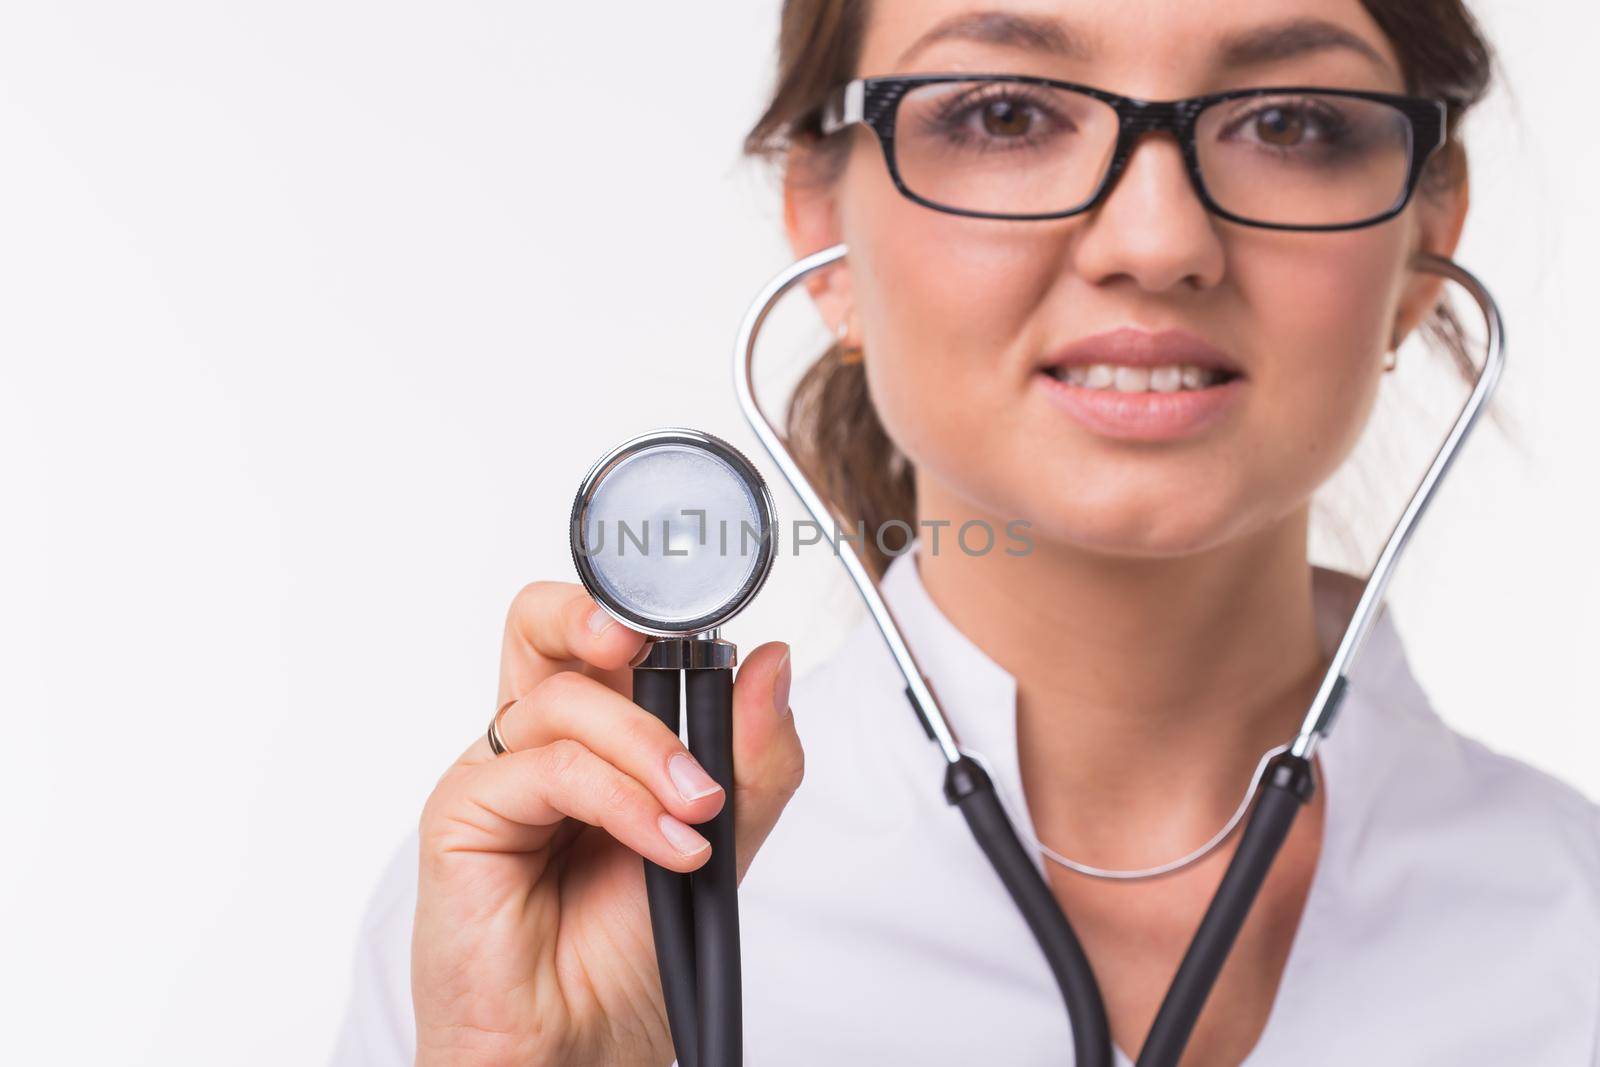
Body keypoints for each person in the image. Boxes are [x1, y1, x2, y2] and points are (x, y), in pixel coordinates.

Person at [332, 2, 1600, 1064]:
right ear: (823, 232)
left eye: (1288, 122)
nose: (1157, 242)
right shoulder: (551, 919)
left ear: (1427, 238)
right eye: (1005, 114)